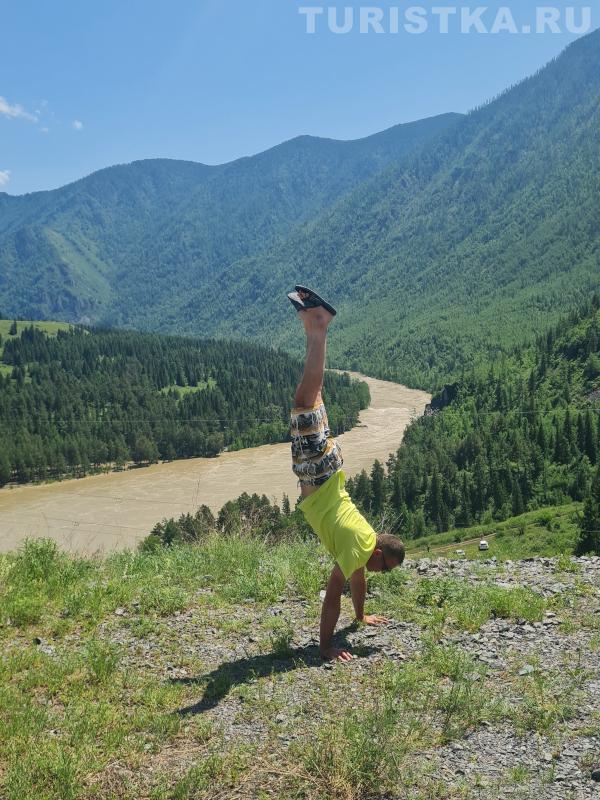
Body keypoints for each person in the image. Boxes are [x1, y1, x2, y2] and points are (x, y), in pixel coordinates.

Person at [287, 285, 405, 662]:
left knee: (313, 400)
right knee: (304, 402)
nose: (377, 575)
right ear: (380, 553)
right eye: (384, 570)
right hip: (319, 477)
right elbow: (333, 590)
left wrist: (361, 615)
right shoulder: (359, 547)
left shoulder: (365, 542)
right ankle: (319, 325)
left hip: (331, 470)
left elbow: (357, 580)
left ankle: (314, 325)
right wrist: (325, 646)